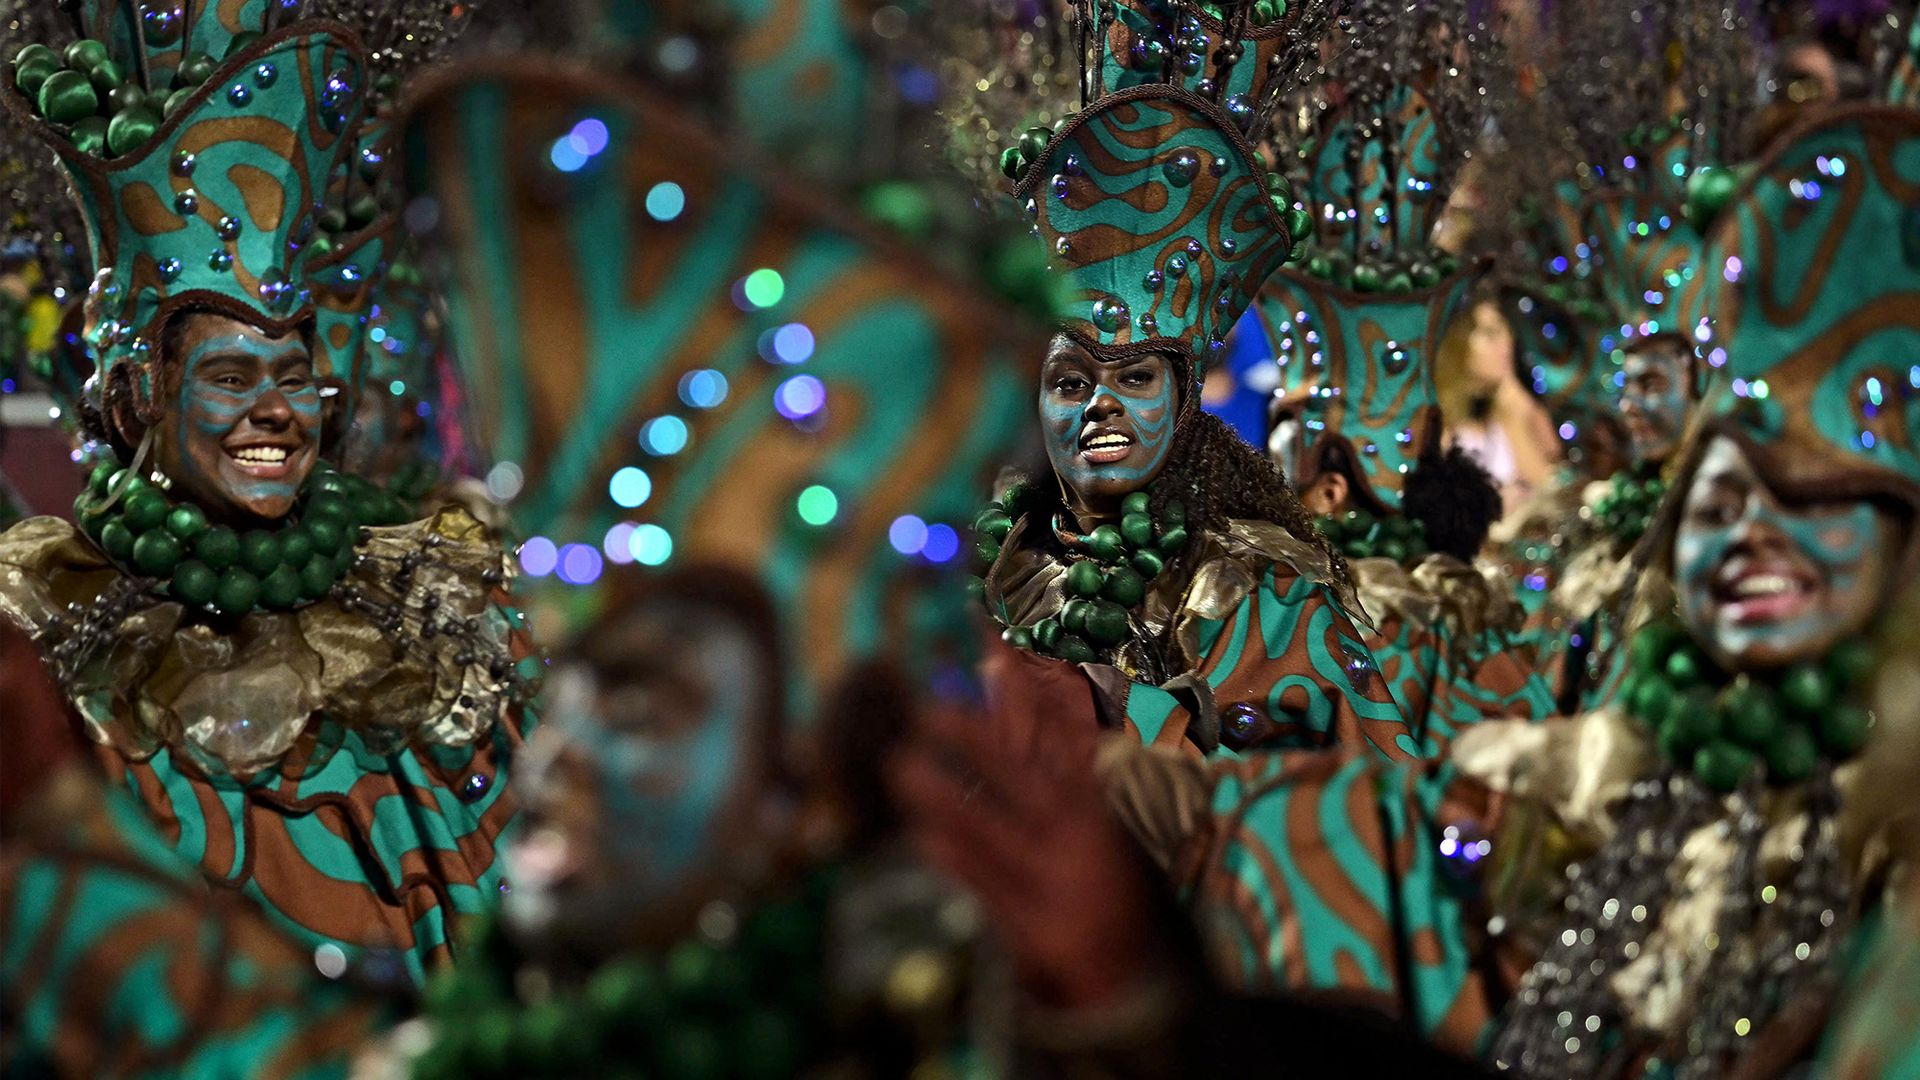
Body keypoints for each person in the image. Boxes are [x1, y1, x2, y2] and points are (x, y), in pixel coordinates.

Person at [0, 5, 529, 985]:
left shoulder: (429, 632)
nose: (277, 411)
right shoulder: (53, 651)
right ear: (140, 396)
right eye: (233, 380)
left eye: (293, 376)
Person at [975, 0, 1409, 764]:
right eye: (1071, 383)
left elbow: (1348, 819)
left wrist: (1117, 715)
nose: (1101, 402)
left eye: (1136, 376)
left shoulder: (1270, 598)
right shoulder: (982, 571)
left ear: (1182, 402)